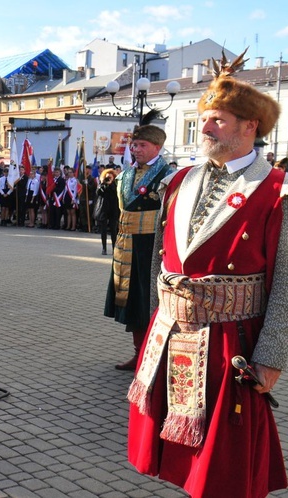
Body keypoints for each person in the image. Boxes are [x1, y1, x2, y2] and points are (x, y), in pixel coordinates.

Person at [127, 51, 288, 498]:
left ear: (249, 126)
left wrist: (271, 359)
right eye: (204, 118)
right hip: (172, 332)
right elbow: (164, 253)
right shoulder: (180, 180)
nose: (206, 127)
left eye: (217, 119)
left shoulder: (277, 190)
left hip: (231, 342)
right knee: (176, 459)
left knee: (225, 468)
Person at [104, 123, 174, 371]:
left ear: (158, 146)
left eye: (142, 145)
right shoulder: (125, 174)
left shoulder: (169, 176)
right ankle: (139, 354)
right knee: (133, 302)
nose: (135, 149)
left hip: (152, 247)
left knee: (150, 302)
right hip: (126, 245)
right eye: (134, 145)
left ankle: (154, 356)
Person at [94, 168, 119, 255]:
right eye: (107, 176)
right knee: (103, 230)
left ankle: (114, 248)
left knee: (113, 230)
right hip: (103, 209)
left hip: (113, 209)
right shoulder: (102, 184)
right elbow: (98, 193)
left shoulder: (116, 184)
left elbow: (116, 193)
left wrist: (111, 183)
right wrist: (102, 184)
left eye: (110, 176)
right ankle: (104, 248)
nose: (108, 178)